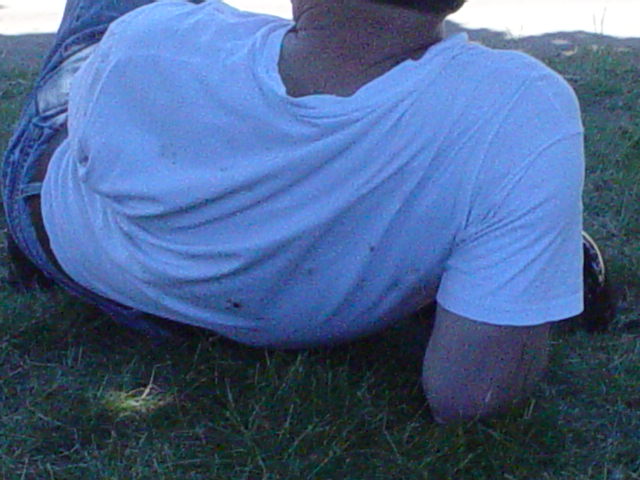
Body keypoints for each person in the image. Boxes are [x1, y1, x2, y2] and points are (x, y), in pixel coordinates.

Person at [2, 0, 588, 424]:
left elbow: (89, 149)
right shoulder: (519, 108)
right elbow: (472, 395)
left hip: (64, 235)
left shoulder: (150, 39)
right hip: (294, 321)